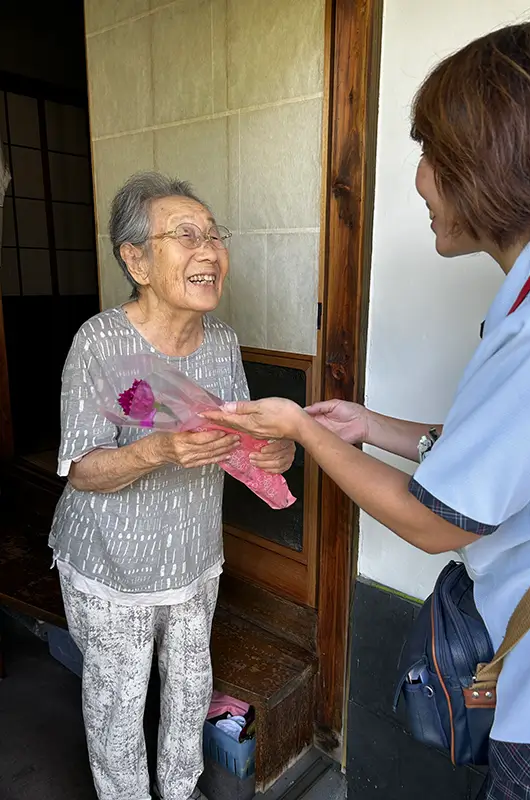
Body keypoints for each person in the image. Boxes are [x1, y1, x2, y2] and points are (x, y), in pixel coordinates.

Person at [202, 21, 530, 800]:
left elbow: (432, 521)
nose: (417, 180)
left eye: (430, 156)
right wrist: (371, 426)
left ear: (493, 163)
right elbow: (527, 454)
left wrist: (302, 429)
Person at [48, 172, 295, 800]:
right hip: (112, 567)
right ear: (137, 260)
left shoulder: (221, 342)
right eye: (186, 236)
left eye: (214, 236)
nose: (208, 251)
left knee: (188, 695)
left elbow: (247, 445)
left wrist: (280, 450)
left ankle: (181, 792)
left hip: (193, 561)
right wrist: (160, 448)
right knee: (119, 708)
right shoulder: (100, 342)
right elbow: (81, 468)